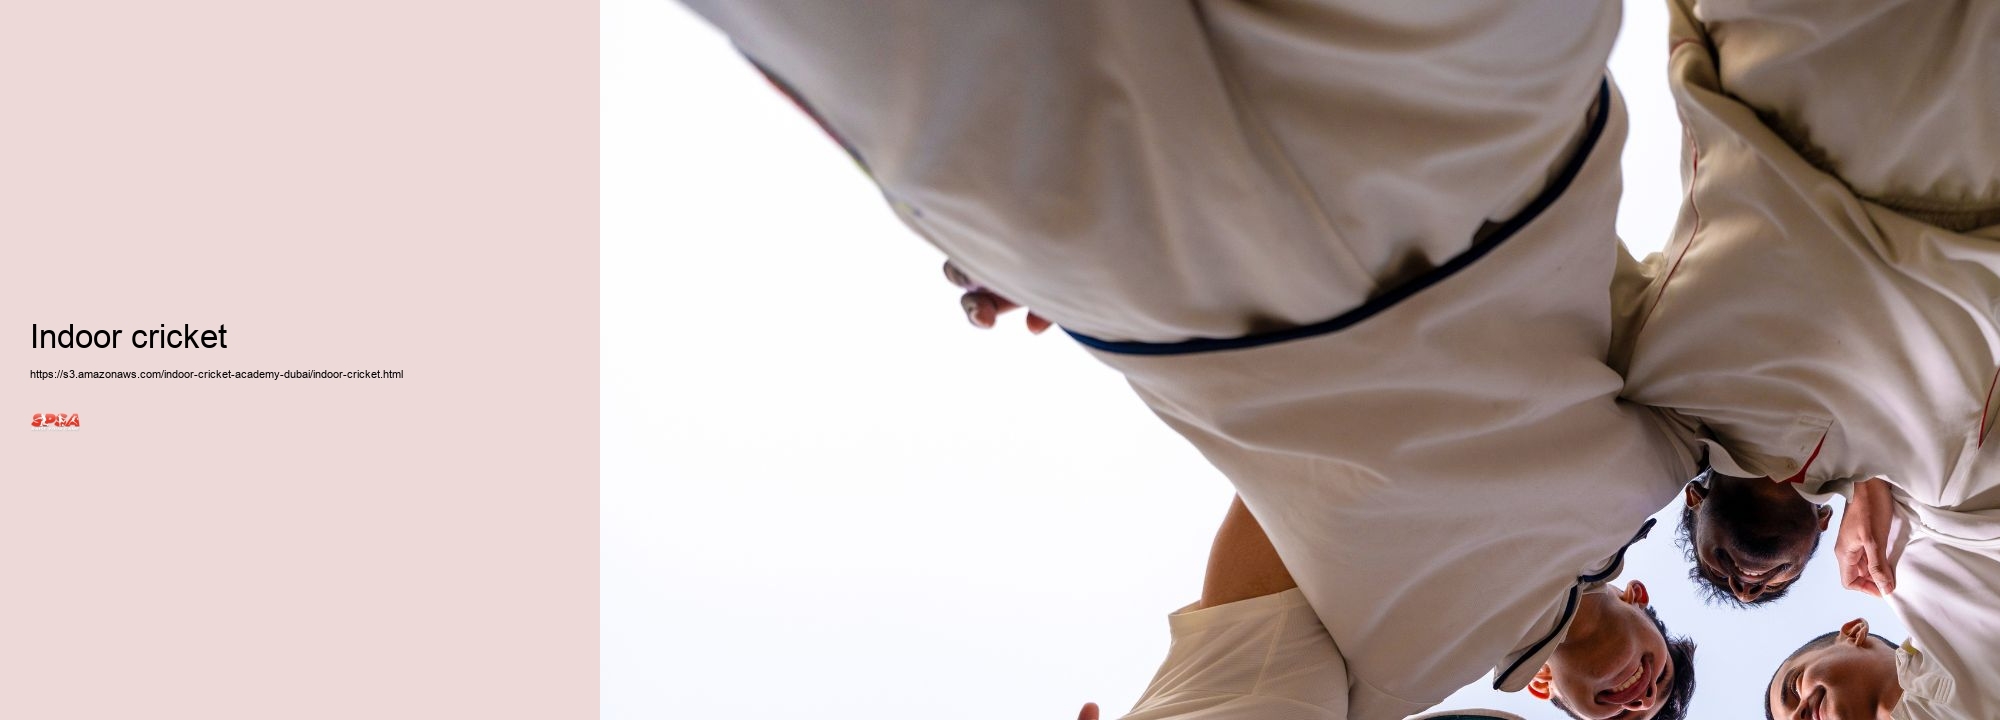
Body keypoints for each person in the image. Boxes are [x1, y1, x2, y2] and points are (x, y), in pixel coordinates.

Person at [677, 2, 1705, 717]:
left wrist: (1063, 266)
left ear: (1543, 698)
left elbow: (1239, 689)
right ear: (1651, 611)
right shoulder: (1664, 459)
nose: (1637, 702)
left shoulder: (1385, 679)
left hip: (1175, 280)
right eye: (1660, 682)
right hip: (1484, 150)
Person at [1608, 0, 2000, 606]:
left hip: (1801, 54)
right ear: (1825, 528)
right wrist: (1908, 520)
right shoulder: (1942, 482)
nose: (1746, 586)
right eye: (1776, 585)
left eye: (1720, 576)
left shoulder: (1645, 369)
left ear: (1692, 498)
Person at [1108, 497, 1691, 720]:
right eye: (1661, 678)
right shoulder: (1621, 507)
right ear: (1639, 595)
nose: (1641, 699)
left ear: (1542, 685)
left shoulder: (1404, 676)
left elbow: (1253, 638)